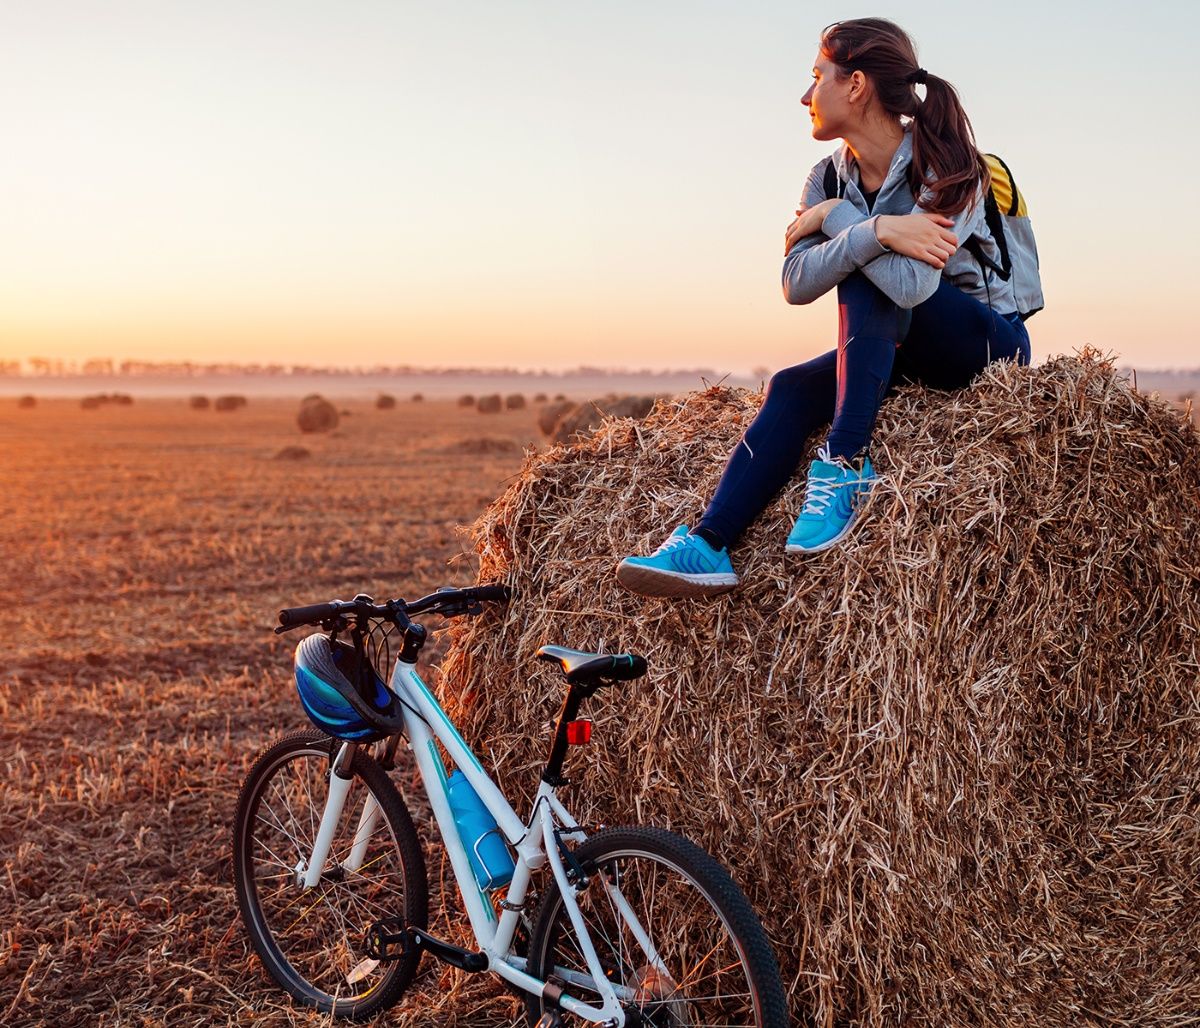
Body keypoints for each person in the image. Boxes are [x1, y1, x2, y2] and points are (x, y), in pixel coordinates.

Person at [617, 17, 1031, 599]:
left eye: (818, 77)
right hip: (901, 342)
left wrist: (841, 222)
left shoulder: (950, 163)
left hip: (986, 345)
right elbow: (796, 282)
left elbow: (911, 287)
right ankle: (708, 543)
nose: (806, 95)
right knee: (790, 385)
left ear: (857, 84)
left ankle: (845, 461)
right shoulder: (827, 174)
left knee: (871, 279)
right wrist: (881, 229)